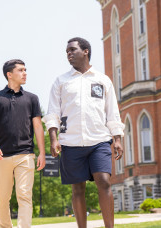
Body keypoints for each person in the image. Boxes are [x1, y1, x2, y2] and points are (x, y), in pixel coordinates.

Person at [42, 37, 125, 228]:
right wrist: (54, 139)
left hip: (99, 141)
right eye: (67, 52)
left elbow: (112, 112)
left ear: (85, 51)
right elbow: (53, 113)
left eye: (72, 50)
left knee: (104, 181)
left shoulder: (102, 80)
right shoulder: (61, 81)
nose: (69, 54)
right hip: (70, 142)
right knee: (77, 189)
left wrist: (117, 139)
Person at [0, 59, 46, 228]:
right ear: (9, 74)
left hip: (25, 154)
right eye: (20, 70)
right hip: (1, 156)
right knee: (2, 198)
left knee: (24, 195)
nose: (25, 73)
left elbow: (38, 126)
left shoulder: (32, 98)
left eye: (25, 70)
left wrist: (42, 152)